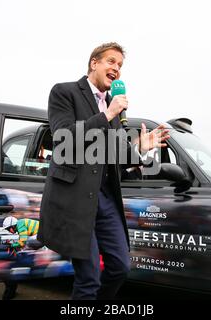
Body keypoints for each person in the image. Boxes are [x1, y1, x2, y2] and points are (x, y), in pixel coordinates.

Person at [38, 42, 170, 300]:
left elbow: (114, 157)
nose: (116, 69)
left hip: (106, 199)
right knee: (88, 279)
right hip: (76, 200)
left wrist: (139, 149)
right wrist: (107, 114)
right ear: (94, 63)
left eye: (120, 65)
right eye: (111, 62)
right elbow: (63, 139)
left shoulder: (113, 106)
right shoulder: (65, 92)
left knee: (120, 268)